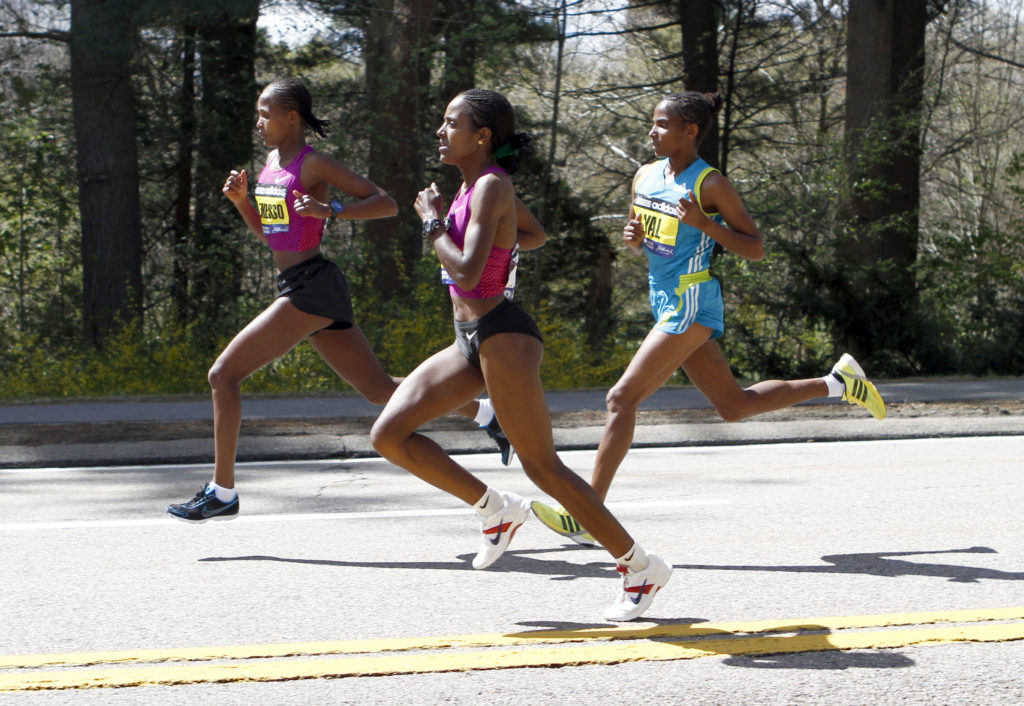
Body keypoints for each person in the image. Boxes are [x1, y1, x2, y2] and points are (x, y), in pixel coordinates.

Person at [532, 91, 887, 546]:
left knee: (621, 398)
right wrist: (634, 238)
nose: (652, 132)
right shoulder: (645, 175)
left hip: (692, 299)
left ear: (690, 131)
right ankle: (838, 383)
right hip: (662, 298)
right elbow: (646, 241)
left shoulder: (710, 184)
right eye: (653, 123)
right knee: (733, 406)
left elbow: (755, 247)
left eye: (661, 124)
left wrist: (706, 225)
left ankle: (586, 511)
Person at [370, 88, 672, 622]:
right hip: (469, 339)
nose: (441, 131)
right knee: (388, 434)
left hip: (502, 335)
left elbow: (464, 270)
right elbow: (533, 234)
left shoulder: (489, 185)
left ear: (481, 135)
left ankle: (639, 565)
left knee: (543, 467)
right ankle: (495, 508)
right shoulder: (476, 189)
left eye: (451, 123)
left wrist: (432, 223)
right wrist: (500, 246)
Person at [167, 79, 512, 524]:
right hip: (302, 284)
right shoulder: (272, 163)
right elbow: (275, 239)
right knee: (379, 390)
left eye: (266, 113)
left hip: (311, 287)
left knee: (223, 374)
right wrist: (241, 204)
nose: (259, 122)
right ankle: (486, 412)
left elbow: (384, 203)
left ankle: (222, 491)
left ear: (292, 117)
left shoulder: (314, 164)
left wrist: (332, 211)